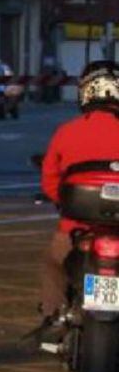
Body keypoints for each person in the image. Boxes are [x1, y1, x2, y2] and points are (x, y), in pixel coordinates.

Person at [35, 60, 119, 344]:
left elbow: (49, 181)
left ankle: (53, 317)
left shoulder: (67, 132)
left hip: (76, 229)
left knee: (53, 263)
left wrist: (62, 200)